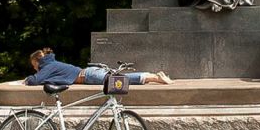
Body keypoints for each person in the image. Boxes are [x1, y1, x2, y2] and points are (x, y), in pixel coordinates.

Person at [24, 48, 173, 86]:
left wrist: (26, 80)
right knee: (119, 79)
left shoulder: (48, 67)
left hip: (89, 76)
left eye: (34, 65)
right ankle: (150, 75)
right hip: (90, 73)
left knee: (120, 81)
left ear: (38, 61)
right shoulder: (52, 64)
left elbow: (34, 81)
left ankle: (154, 77)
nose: (34, 68)